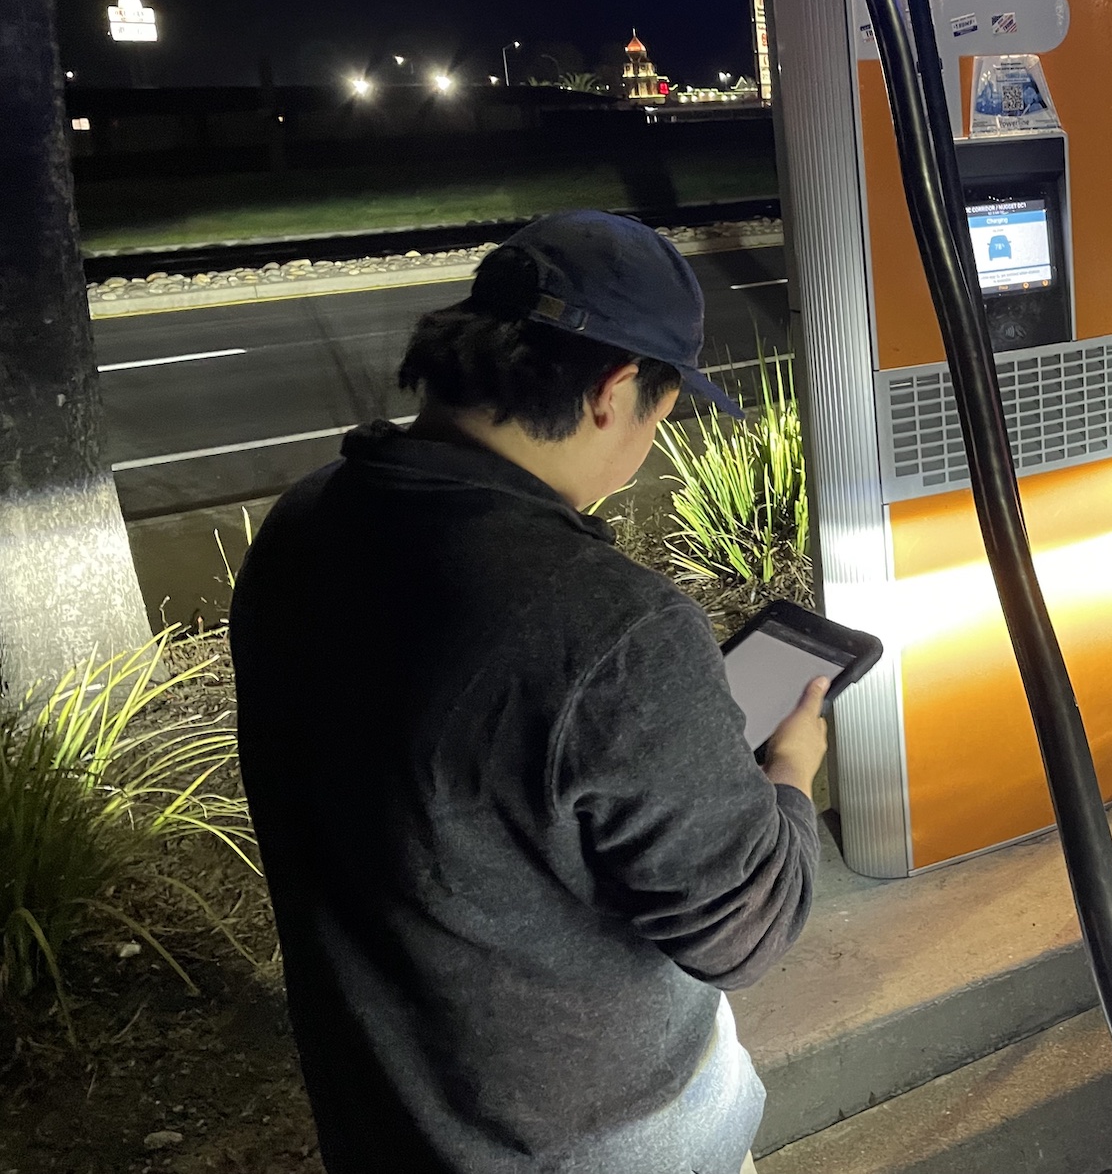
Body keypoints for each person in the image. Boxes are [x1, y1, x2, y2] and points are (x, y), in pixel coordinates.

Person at [231, 211, 826, 1174]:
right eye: (661, 416)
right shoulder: (608, 624)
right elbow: (743, 931)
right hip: (596, 1141)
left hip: (387, 1118)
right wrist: (788, 777)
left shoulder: (307, 522)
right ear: (615, 389)